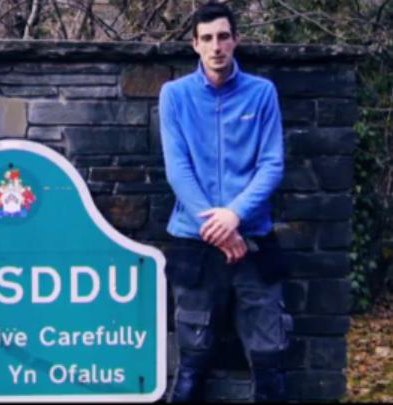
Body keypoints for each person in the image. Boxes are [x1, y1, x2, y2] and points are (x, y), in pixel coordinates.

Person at [159, 1, 290, 402]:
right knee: (192, 362)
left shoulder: (262, 93)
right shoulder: (174, 95)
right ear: (195, 45)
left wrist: (234, 215)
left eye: (223, 37)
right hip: (193, 243)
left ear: (236, 40)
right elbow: (178, 170)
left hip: (252, 238)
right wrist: (217, 229)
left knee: (270, 359)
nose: (216, 46)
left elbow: (272, 163)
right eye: (207, 38)